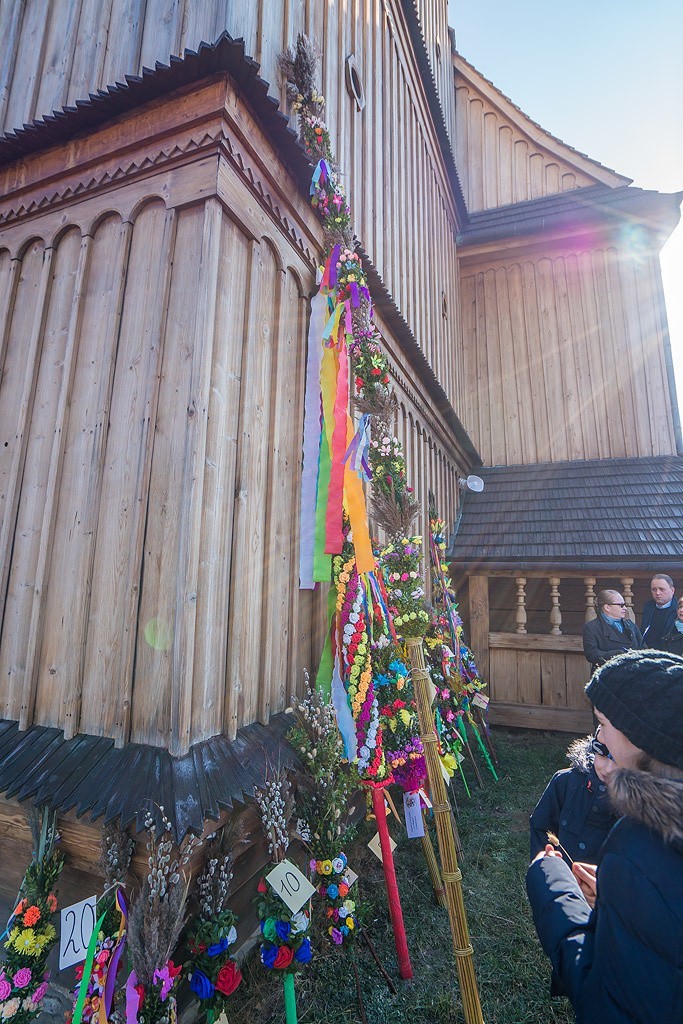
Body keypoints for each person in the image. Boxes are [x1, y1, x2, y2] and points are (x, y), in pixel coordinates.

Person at [526, 650, 683, 1024]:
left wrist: (551, 886)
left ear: (639, 737)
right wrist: (617, 902)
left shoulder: (639, 850)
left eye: (603, 722)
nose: (599, 735)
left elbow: (610, 1005)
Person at [529, 733, 617, 864]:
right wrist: (547, 870)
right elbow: (540, 827)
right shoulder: (565, 782)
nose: (608, 769)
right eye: (602, 755)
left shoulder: (638, 806)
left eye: (618, 761)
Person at [582, 589, 643, 671]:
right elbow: (592, 654)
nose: (625, 608)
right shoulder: (592, 627)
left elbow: (643, 647)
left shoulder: (630, 625)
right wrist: (618, 654)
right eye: (621, 605)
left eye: (625, 605)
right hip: (607, 676)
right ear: (607, 607)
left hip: (633, 675)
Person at [641, 573, 677, 650]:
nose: (657, 593)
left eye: (662, 589)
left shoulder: (679, 610)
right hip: (649, 654)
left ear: (672, 590)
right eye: (654, 589)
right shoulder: (648, 607)